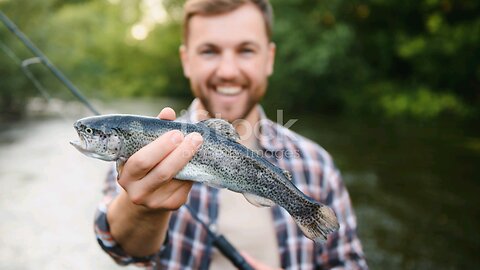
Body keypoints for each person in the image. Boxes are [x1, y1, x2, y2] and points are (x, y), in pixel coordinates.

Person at [94, 0, 368, 269]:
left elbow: (348, 262)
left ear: (269, 59)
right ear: (186, 61)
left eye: (246, 50)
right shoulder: (144, 149)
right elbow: (119, 248)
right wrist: (144, 209)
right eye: (209, 51)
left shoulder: (318, 164)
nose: (227, 71)